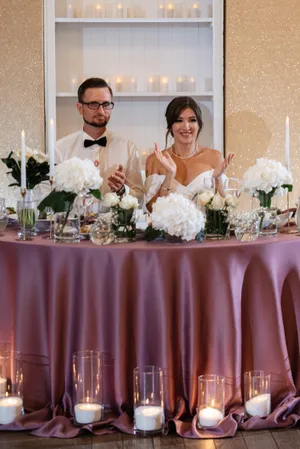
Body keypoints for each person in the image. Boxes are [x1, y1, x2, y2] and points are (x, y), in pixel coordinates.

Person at [55, 77, 144, 205]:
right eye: (94, 104)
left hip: (114, 223)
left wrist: (122, 190)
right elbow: (51, 198)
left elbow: (140, 199)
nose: (101, 111)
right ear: (80, 108)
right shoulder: (61, 148)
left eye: (106, 104)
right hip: (74, 223)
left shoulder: (127, 147)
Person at [145, 96, 234, 211]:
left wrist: (216, 179)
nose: (186, 126)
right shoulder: (155, 160)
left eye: (192, 120)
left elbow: (224, 209)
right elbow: (151, 209)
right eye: (179, 120)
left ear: (199, 125)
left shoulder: (215, 157)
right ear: (170, 126)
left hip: (207, 229)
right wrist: (169, 176)